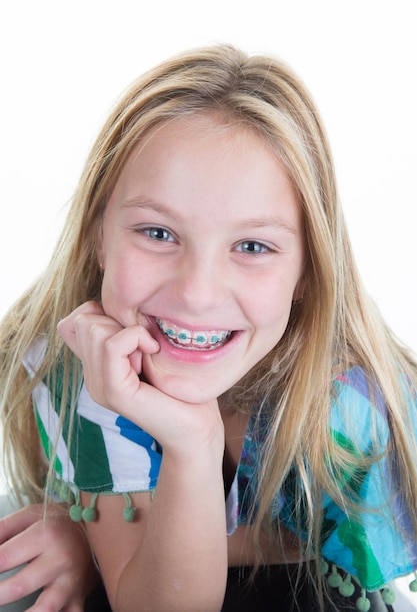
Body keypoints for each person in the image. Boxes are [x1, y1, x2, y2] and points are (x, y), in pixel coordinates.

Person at [1, 44, 417, 612]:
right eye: (157, 233)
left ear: (307, 271)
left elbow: (330, 543)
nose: (197, 293)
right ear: (99, 232)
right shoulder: (81, 363)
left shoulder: (355, 403)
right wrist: (191, 443)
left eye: (251, 246)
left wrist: (99, 547)